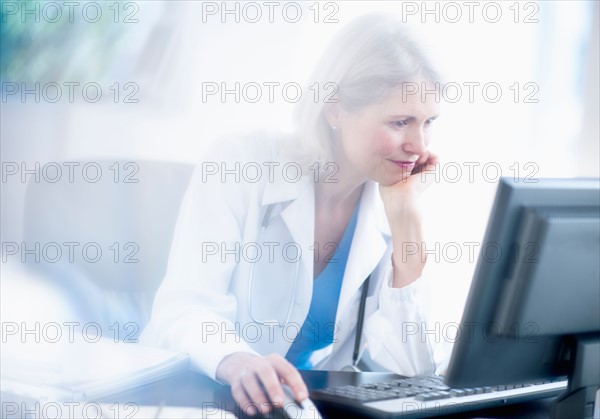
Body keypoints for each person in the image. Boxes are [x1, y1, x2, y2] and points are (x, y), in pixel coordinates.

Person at [141, 12, 451, 417]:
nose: (417, 144)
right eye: (399, 122)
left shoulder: (389, 203)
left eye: (428, 123)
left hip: (303, 406)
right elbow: (182, 309)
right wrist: (239, 361)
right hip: (204, 397)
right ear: (335, 109)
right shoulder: (240, 162)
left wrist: (407, 224)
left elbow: (414, 370)